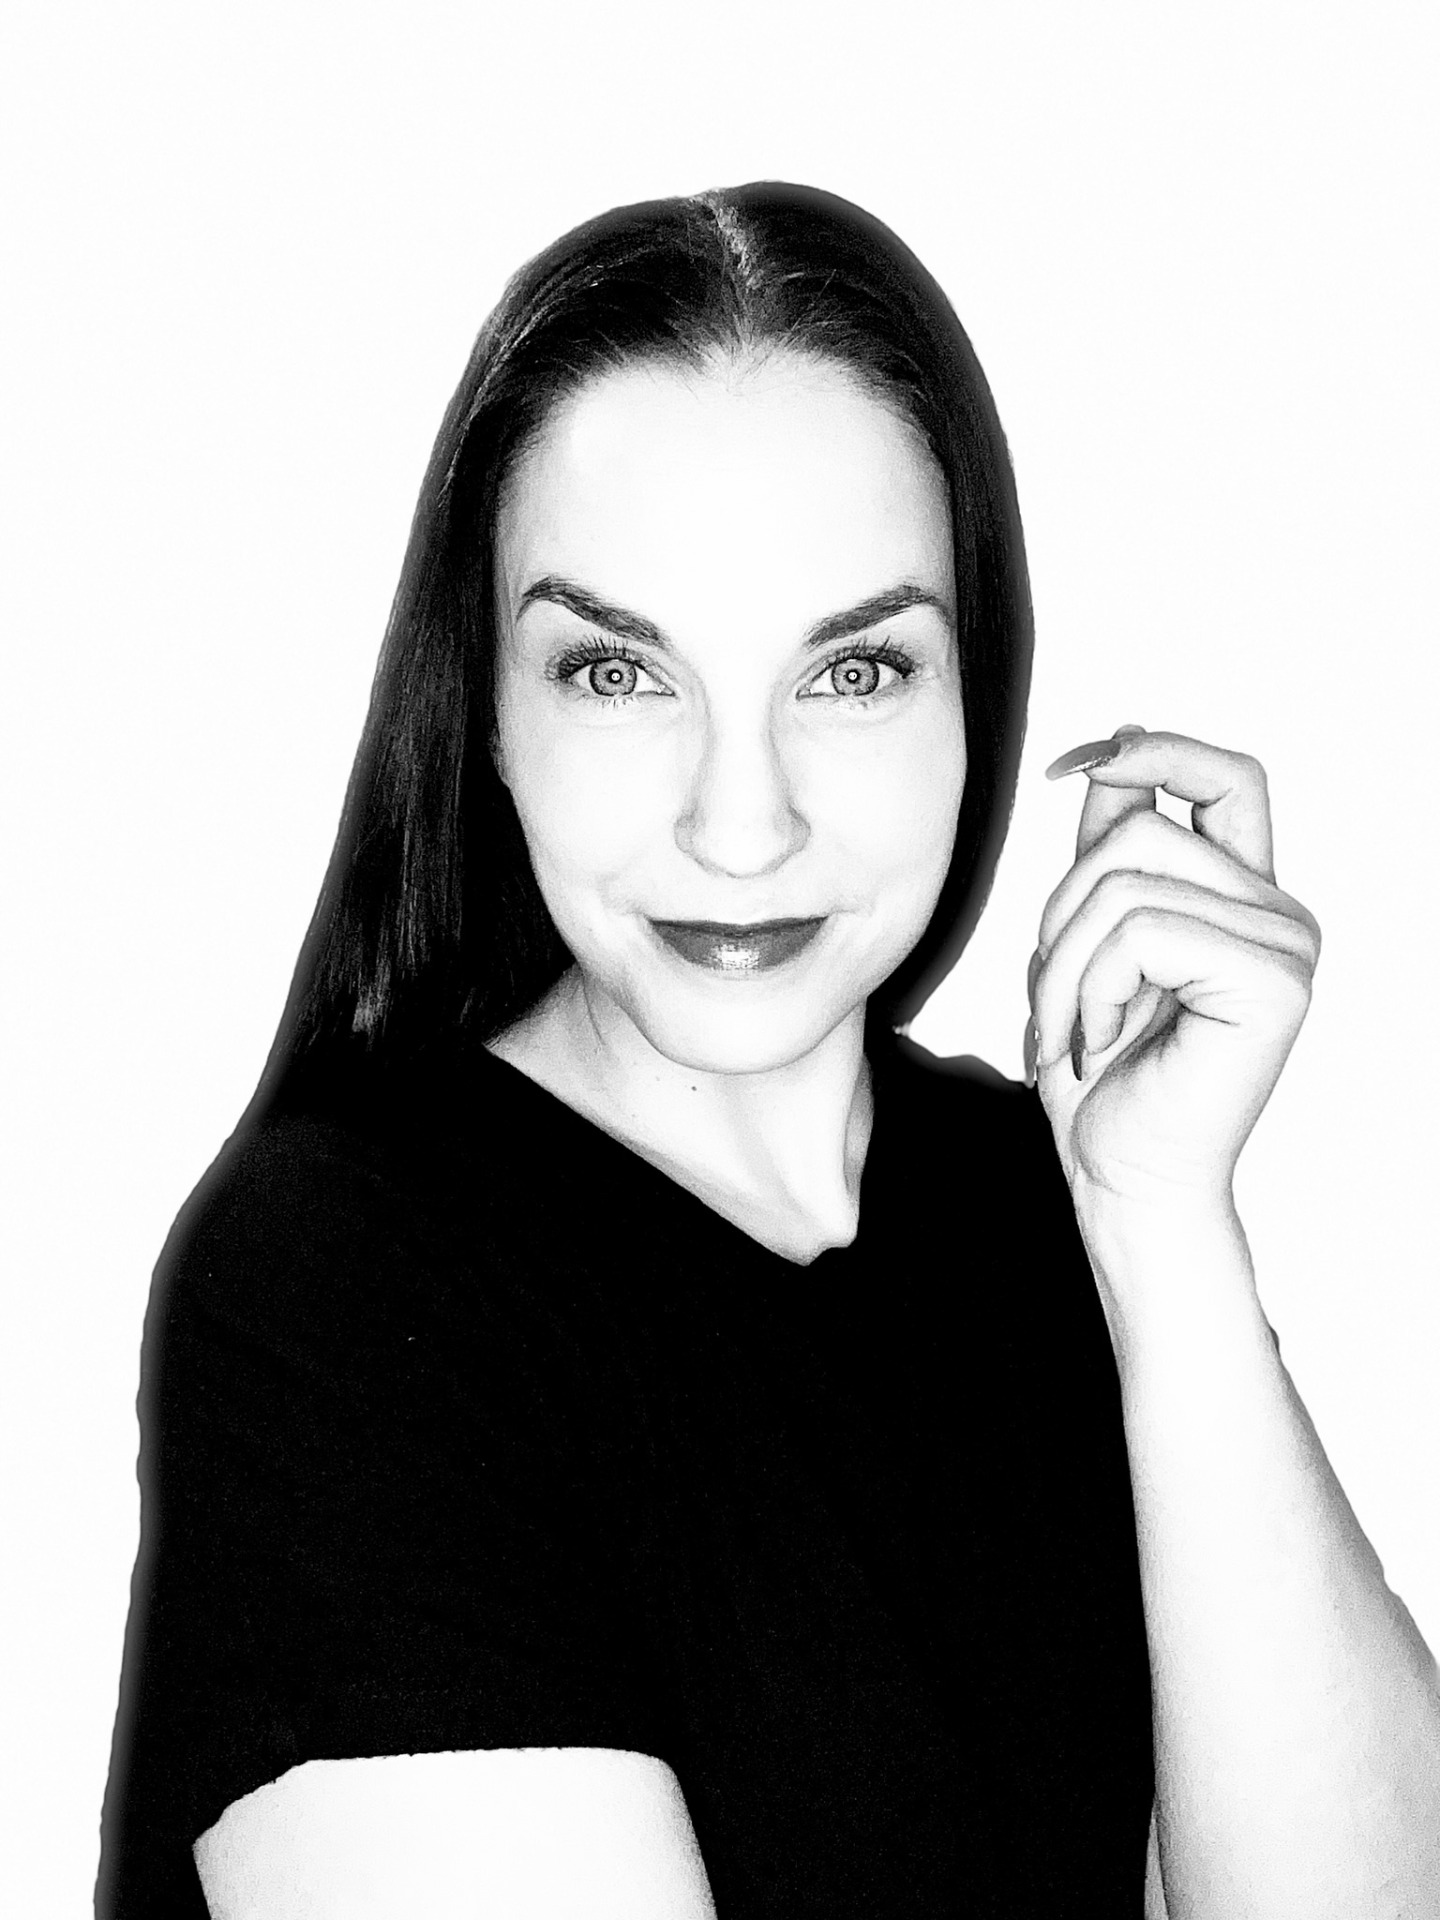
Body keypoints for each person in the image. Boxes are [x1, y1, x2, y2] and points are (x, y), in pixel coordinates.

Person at [97, 183, 1440, 1919]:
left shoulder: (1049, 1209)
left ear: (977, 698)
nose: (742, 825)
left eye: (855, 672)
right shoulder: (342, 1289)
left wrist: (1165, 1229)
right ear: (484, 713)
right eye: (618, 674)